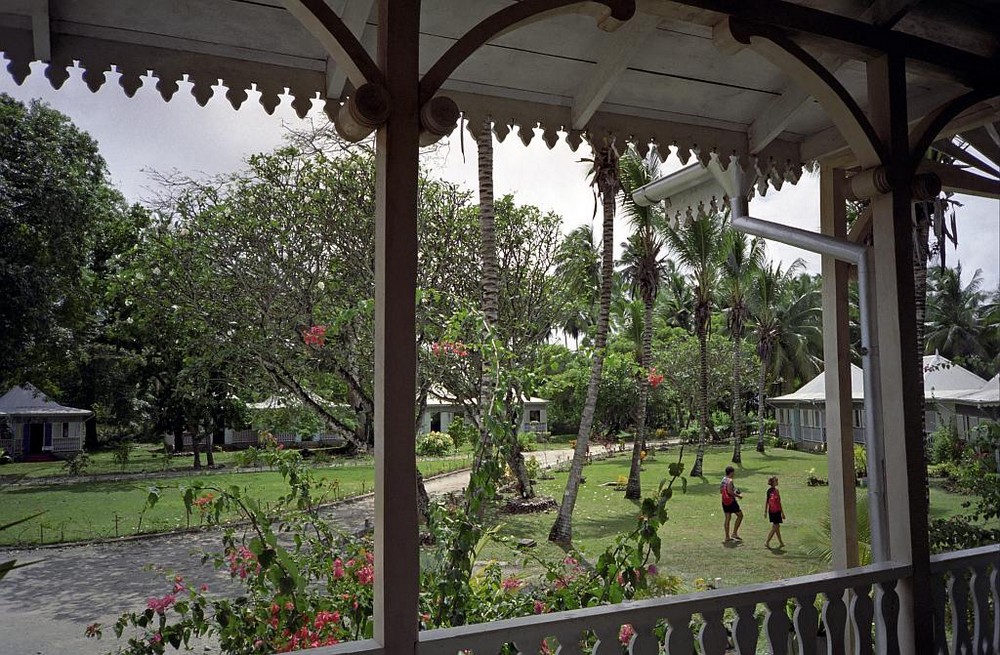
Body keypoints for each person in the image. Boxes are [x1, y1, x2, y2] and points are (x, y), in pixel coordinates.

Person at [720, 465, 743, 542]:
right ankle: (734, 533)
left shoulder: (723, 480)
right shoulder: (730, 480)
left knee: (727, 518)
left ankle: (727, 537)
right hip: (731, 501)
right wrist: (738, 496)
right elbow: (730, 491)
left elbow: (721, 491)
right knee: (740, 515)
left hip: (724, 501)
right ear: (731, 472)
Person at [764, 476, 786, 549]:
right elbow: (778, 502)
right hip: (775, 510)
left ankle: (781, 542)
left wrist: (765, 511)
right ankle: (767, 541)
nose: (777, 482)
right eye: (776, 481)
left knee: (777, 526)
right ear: (773, 483)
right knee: (775, 526)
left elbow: (767, 502)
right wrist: (782, 512)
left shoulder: (770, 491)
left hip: (772, 511)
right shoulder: (775, 491)